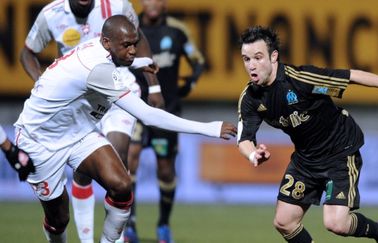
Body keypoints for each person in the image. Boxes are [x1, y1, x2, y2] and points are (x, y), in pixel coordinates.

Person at [14, 15, 236, 243]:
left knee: (121, 185)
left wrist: (140, 63)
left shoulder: (97, 47)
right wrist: (210, 128)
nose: (133, 50)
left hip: (77, 132)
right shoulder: (98, 70)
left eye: (135, 43)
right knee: (59, 219)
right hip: (39, 140)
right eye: (126, 45)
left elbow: (116, 63)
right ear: (107, 42)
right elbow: (148, 116)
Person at [236, 26, 378, 243]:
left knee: (336, 224)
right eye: (246, 59)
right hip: (306, 159)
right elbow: (244, 138)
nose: (252, 65)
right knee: (284, 222)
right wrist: (252, 155)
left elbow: (352, 76)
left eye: (258, 57)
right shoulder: (250, 99)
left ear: (273, 56)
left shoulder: (302, 80)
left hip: (339, 151)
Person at [19, 1, 164, 242]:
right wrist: (42, 82)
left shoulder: (118, 5)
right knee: (82, 175)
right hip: (77, 103)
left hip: (118, 87)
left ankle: (115, 237)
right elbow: (27, 52)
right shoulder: (51, 14)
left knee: (118, 163)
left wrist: (154, 86)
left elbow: (138, 39)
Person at [125, 0, 205, 242]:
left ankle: (163, 224)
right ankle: (130, 223)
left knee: (166, 169)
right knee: (130, 160)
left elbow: (198, 60)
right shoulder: (129, 28)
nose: (152, 3)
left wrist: (190, 82)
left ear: (165, 4)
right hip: (134, 109)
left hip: (166, 111)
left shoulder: (177, 31)